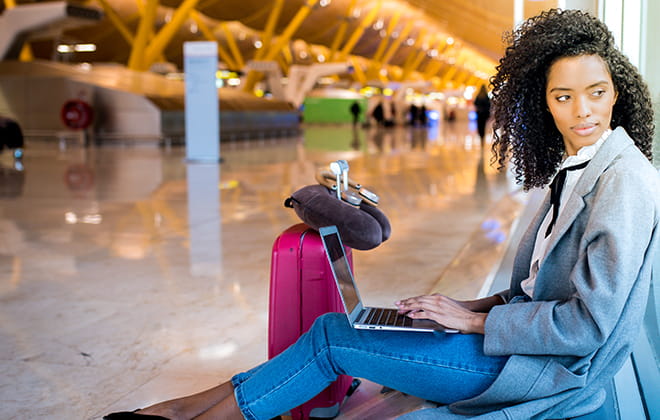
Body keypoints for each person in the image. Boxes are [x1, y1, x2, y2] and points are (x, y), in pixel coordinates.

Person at [104, 9, 659, 420]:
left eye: (595, 92)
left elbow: (587, 325)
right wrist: (461, 306)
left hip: (539, 369)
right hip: (511, 344)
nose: (581, 110)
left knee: (332, 342)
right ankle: (186, 409)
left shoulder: (624, 182)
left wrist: (469, 321)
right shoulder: (582, 167)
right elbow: (541, 289)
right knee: (337, 326)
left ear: (617, 94)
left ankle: (192, 418)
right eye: (563, 97)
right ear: (544, 101)